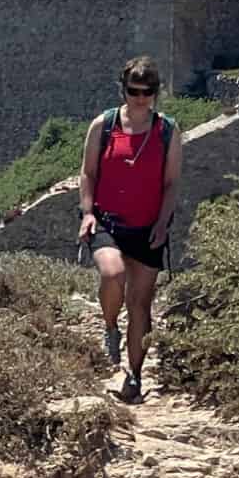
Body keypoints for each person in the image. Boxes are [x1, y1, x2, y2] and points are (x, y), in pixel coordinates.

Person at [77, 57, 183, 403]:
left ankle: (134, 375)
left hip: (147, 228)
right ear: (123, 89)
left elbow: (170, 184)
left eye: (147, 91)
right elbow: (88, 173)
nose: (140, 98)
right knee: (112, 273)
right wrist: (87, 212)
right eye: (134, 91)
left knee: (140, 305)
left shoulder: (167, 131)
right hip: (107, 221)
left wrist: (163, 223)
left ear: (155, 92)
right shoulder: (104, 125)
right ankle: (110, 327)